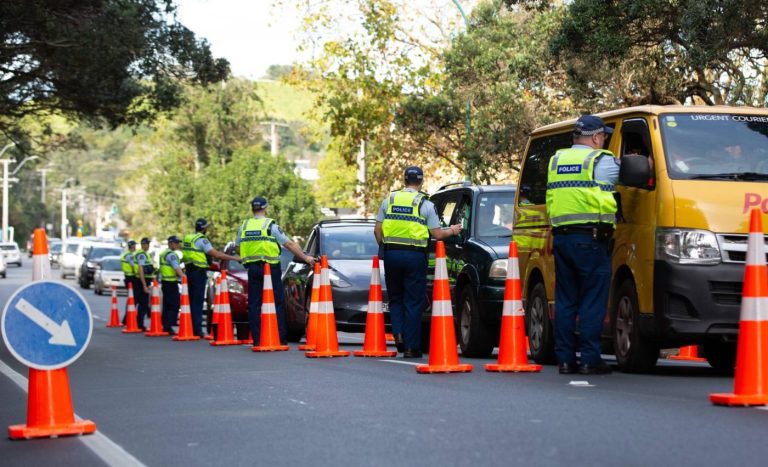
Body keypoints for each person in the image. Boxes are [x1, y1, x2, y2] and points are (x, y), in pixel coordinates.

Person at [546, 114, 619, 375]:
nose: (604, 141)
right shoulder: (601, 160)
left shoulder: (556, 160)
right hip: (590, 240)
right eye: (604, 137)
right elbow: (632, 175)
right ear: (597, 137)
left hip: (562, 238)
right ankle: (590, 358)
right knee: (592, 299)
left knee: (566, 300)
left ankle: (565, 360)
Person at [373, 166, 462, 358]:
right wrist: (453, 230)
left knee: (396, 298)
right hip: (414, 257)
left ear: (404, 180)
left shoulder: (389, 200)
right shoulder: (425, 204)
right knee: (413, 301)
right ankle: (412, 347)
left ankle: (398, 334)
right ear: (421, 182)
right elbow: (437, 234)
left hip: (391, 254)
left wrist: (385, 246)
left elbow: (377, 230)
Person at [235, 197, 315, 345]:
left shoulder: (244, 226)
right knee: (277, 302)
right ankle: (280, 337)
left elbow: (237, 247)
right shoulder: (269, 225)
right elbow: (289, 243)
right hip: (270, 267)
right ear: (265, 208)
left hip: (253, 268)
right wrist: (306, 258)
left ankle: (257, 340)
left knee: (254, 304)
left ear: (252, 209)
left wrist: (247, 258)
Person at [182, 218, 240, 337]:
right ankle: (197, 329)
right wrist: (235, 258)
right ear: (204, 228)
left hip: (190, 271)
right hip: (198, 272)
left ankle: (190, 327)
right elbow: (215, 254)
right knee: (197, 302)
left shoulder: (188, 238)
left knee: (192, 301)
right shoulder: (202, 240)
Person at [159, 236, 185, 335]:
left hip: (165, 282)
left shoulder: (164, 253)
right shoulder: (171, 255)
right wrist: (183, 277)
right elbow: (176, 268)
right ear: (170, 243)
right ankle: (168, 326)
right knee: (174, 304)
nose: (177, 244)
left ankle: (165, 324)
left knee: (167, 304)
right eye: (175, 243)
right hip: (170, 282)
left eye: (178, 242)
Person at [133, 237, 155, 330]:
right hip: (141, 281)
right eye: (147, 244)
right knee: (143, 303)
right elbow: (141, 270)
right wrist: (144, 285)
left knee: (138, 302)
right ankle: (139, 324)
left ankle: (133, 322)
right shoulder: (141, 254)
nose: (148, 246)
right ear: (143, 245)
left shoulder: (146, 254)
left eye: (149, 244)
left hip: (143, 280)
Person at [120, 240, 137, 325]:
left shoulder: (125, 254)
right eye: (135, 246)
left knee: (131, 298)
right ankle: (127, 319)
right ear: (132, 246)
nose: (135, 248)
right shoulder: (129, 256)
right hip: (131, 278)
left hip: (128, 277)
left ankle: (127, 318)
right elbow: (133, 266)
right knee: (132, 298)